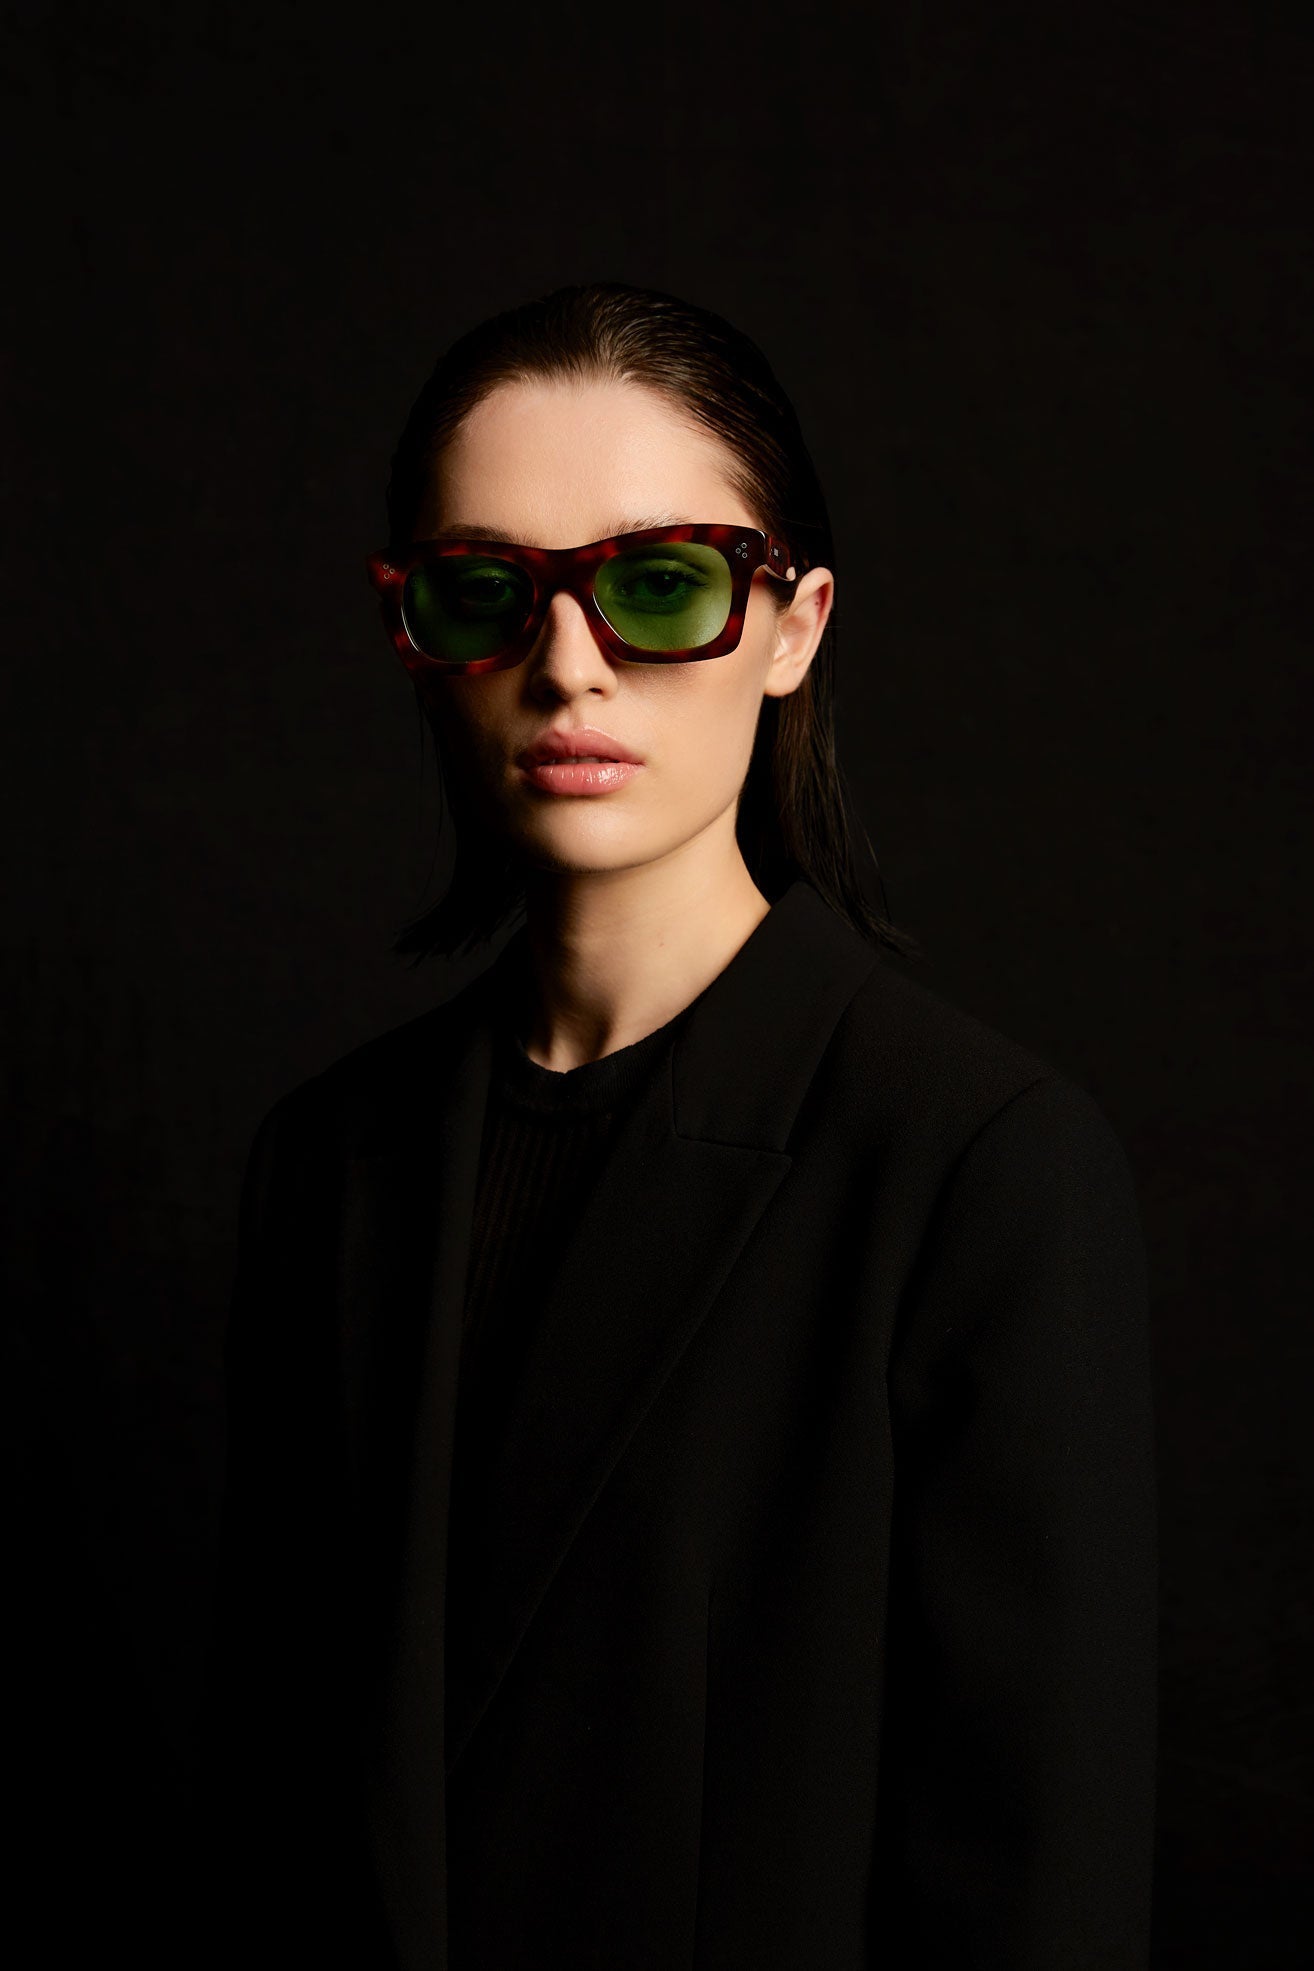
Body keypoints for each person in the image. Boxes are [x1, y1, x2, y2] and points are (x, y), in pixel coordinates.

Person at [196, 281, 1158, 1968]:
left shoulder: (973, 1162)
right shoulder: (326, 1164)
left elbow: (1031, 1886)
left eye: (657, 584)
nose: (566, 665)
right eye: (485, 591)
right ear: (412, 632)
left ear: (792, 626)